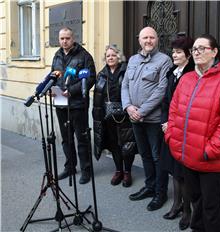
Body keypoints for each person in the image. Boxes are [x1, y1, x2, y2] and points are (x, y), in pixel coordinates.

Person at [165, 34, 220, 232]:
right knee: (195, 203)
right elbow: (174, 111)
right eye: (194, 49)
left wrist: (209, 151)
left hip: (210, 159)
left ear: (215, 52)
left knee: (212, 208)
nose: (197, 52)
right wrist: (172, 139)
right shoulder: (187, 79)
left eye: (203, 48)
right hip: (186, 156)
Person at [121, 26, 172, 211]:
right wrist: (128, 106)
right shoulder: (133, 60)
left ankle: (160, 192)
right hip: (134, 117)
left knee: (157, 157)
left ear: (156, 40)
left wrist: (141, 111)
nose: (148, 41)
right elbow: (125, 84)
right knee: (144, 155)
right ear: (139, 40)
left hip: (153, 119)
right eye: (145, 37)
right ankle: (149, 187)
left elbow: (161, 90)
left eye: (152, 37)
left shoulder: (164, 60)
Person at [51, 27, 96, 184]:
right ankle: (70, 166)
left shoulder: (84, 56)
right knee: (66, 139)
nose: (64, 41)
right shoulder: (57, 56)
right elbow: (54, 76)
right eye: (62, 38)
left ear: (73, 38)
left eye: (67, 38)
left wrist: (71, 91)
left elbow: (90, 79)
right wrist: (52, 89)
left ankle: (86, 170)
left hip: (77, 104)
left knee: (81, 138)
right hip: (60, 103)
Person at [160, 36, 194, 230]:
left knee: (184, 172)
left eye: (178, 52)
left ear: (188, 54)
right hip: (169, 127)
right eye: (173, 52)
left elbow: (188, 105)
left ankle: (188, 211)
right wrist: (165, 121)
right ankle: (177, 204)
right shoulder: (172, 72)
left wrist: (174, 125)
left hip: (184, 130)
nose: (174, 55)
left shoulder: (191, 73)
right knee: (174, 170)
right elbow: (166, 101)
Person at [92, 45, 137, 187]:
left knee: (127, 145)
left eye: (113, 55)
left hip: (125, 114)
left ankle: (128, 172)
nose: (110, 58)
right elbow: (97, 97)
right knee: (114, 145)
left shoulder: (127, 71)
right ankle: (119, 171)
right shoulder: (101, 74)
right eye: (108, 56)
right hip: (108, 116)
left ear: (119, 56)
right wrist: (97, 115)